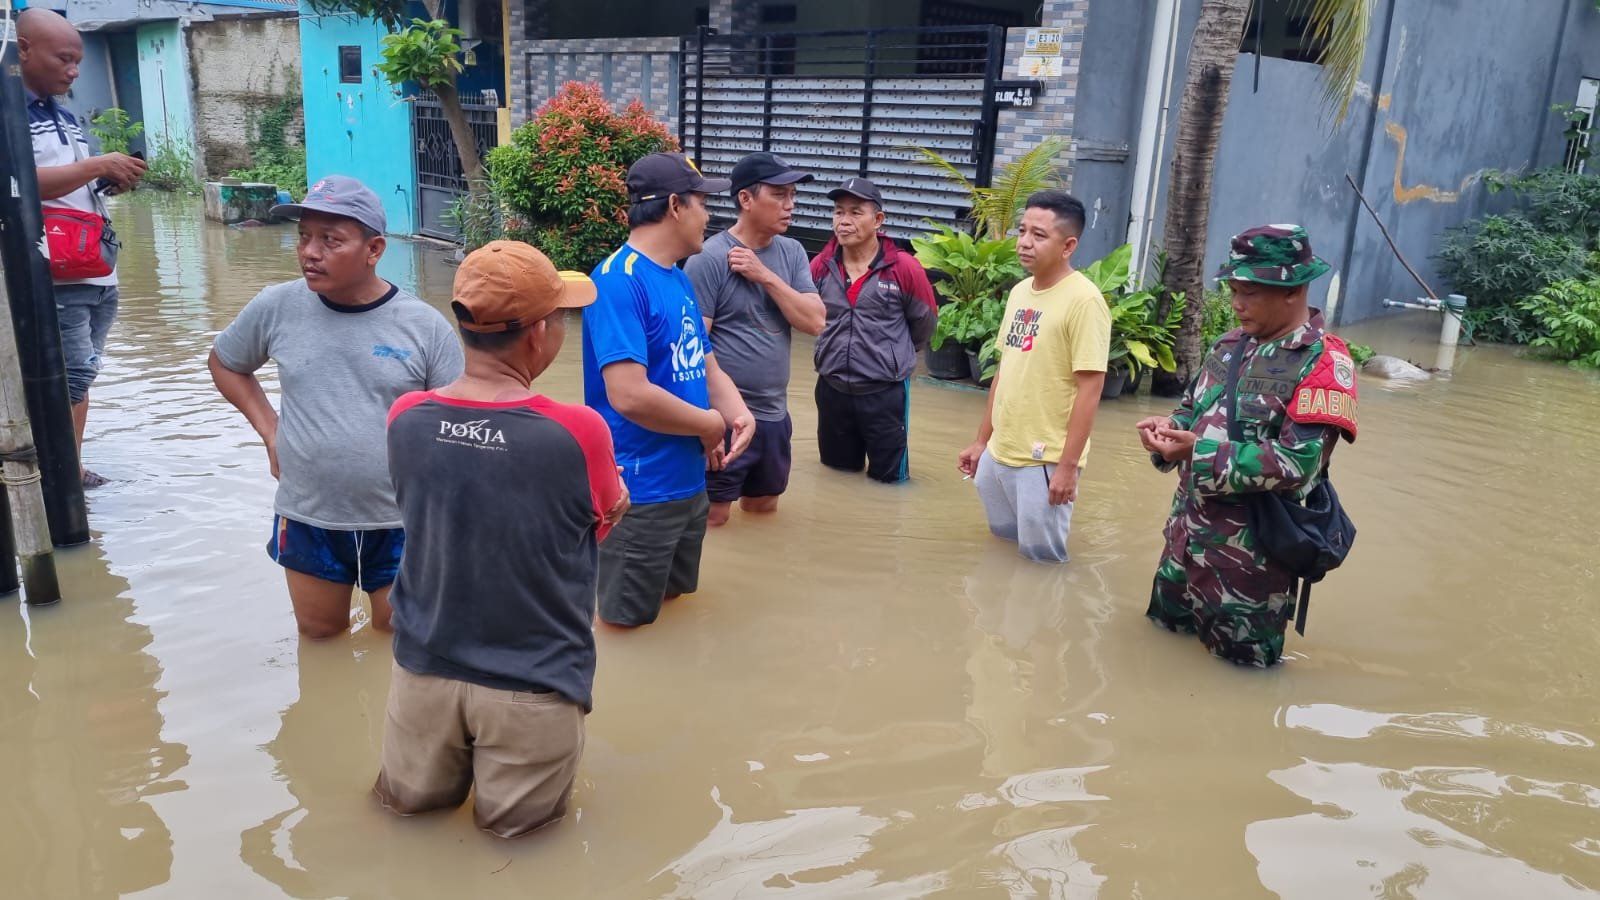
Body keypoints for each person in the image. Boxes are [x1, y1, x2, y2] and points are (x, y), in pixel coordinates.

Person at [376, 240, 627, 838]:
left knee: (401, 823)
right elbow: (609, 511)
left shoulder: (405, 415)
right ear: (539, 334)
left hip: (422, 673)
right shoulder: (577, 429)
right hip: (532, 684)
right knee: (520, 850)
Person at [209, 176, 464, 638]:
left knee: (399, 638)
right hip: (310, 512)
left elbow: (460, 423)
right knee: (320, 637)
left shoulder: (424, 328)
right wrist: (271, 431)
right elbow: (226, 363)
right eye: (304, 236)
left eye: (331, 240)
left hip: (401, 520)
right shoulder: (277, 307)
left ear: (374, 249)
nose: (310, 251)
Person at [1138, 225, 1358, 667]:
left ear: (1293, 290)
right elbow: (1190, 410)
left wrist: (1195, 452)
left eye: (1250, 292)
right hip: (1183, 544)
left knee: (1241, 681)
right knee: (1156, 653)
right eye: (1234, 289)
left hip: (1248, 566)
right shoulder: (1228, 346)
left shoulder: (1324, 363)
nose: (1236, 303)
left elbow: (1298, 465)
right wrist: (1166, 434)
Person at [583, 152, 754, 629]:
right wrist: (708, 424)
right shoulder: (619, 281)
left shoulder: (677, 278)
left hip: (688, 481)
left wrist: (738, 412)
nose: (710, 216)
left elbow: (705, 361)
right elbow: (628, 395)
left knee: (674, 601)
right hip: (638, 489)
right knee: (623, 624)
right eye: (704, 203)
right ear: (676, 206)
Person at [18, 7, 149, 487]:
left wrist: (112, 178)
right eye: (65, 59)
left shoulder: (64, 116)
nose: (74, 71)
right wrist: (98, 165)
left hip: (95, 266)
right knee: (72, 374)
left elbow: (71, 187)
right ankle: (57, 470)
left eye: (78, 61)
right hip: (54, 271)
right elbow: (20, 183)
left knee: (84, 372)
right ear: (24, 49)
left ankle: (67, 464)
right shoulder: (10, 113)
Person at [956, 191, 1110, 563]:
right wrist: (981, 443)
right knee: (1003, 550)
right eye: (1022, 231)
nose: (1024, 242)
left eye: (1039, 235)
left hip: (1045, 461)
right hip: (1000, 453)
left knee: (1041, 564)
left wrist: (1067, 467)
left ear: (1068, 245)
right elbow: (1005, 369)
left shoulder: (1085, 302)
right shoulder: (1020, 292)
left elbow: (1091, 389)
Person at [684, 152, 825, 527]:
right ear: (746, 199)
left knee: (763, 510)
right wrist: (707, 423)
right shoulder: (708, 259)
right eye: (779, 194)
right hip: (727, 418)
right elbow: (695, 349)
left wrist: (765, 276)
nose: (790, 205)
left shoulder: (792, 252)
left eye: (793, 195)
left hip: (776, 415)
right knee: (713, 517)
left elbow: (815, 322)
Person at [810, 177, 938, 483]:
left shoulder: (903, 267)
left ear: (878, 220)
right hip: (832, 388)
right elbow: (804, 314)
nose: (844, 221)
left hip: (885, 393)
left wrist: (893, 356)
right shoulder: (820, 265)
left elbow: (925, 323)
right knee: (835, 477)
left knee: (890, 481)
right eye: (839, 212)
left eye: (856, 212)